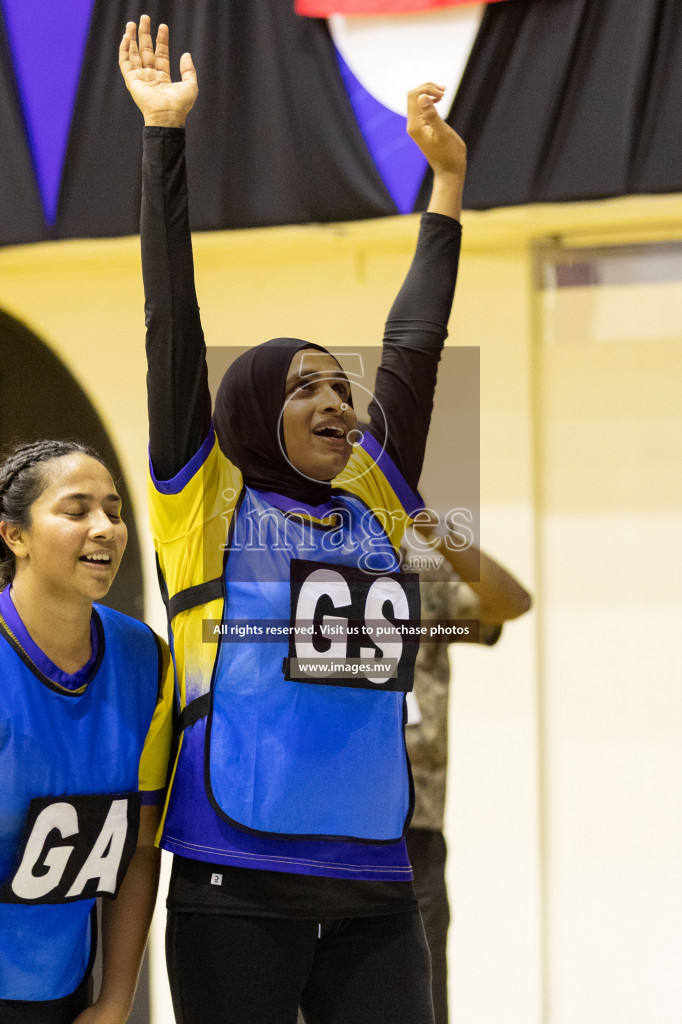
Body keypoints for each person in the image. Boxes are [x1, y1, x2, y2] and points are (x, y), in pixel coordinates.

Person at [120, 15, 467, 1024]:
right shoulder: (205, 498)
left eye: (341, 385)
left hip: (376, 886)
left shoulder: (373, 488)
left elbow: (417, 339)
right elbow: (168, 323)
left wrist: (445, 186)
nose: (336, 401)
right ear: (245, 409)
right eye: (304, 385)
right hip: (236, 887)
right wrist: (163, 139)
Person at [0, 440, 173, 1024]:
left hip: (63, 989)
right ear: (14, 535)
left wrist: (116, 1000)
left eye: (115, 511)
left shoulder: (146, 658)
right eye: (76, 511)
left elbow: (141, 847)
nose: (105, 528)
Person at [402, 526, 531, 1024]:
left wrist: (439, 534)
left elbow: (511, 603)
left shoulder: (424, 579)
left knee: (421, 1001)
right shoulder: (306, 577)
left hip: (416, 826)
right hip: (328, 824)